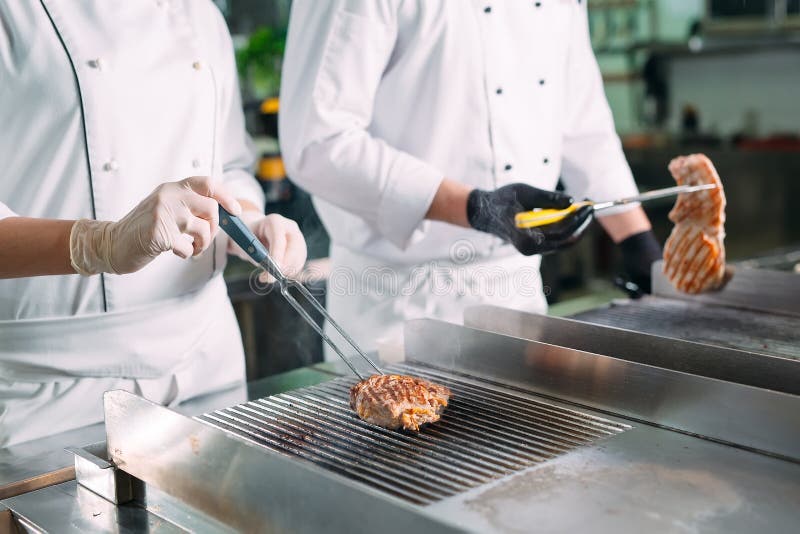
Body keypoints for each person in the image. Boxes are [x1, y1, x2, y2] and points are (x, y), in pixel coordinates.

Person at [0, 1, 306, 446]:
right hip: (51, 394)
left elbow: (231, 163)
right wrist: (100, 243)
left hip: (207, 362)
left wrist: (249, 222)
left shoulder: (199, 12)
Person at [279, 1, 661, 357]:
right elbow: (316, 143)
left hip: (519, 297)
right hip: (400, 309)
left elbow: (582, 123)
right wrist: (476, 208)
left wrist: (637, 242)